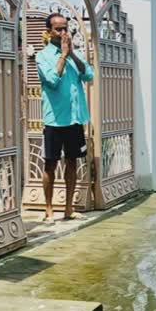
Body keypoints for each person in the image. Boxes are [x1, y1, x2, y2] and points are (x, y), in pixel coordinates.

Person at [35, 12, 94, 224]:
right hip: (54, 120)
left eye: (65, 29)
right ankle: (49, 210)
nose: (62, 33)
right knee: (50, 164)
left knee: (72, 162)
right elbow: (51, 80)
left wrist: (72, 55)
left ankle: (68, 209)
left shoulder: (74, 55)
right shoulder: (43, 56)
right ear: (49, 31)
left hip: (75, 119)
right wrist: (62, 55)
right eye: (58, 29)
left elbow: (89, 75)